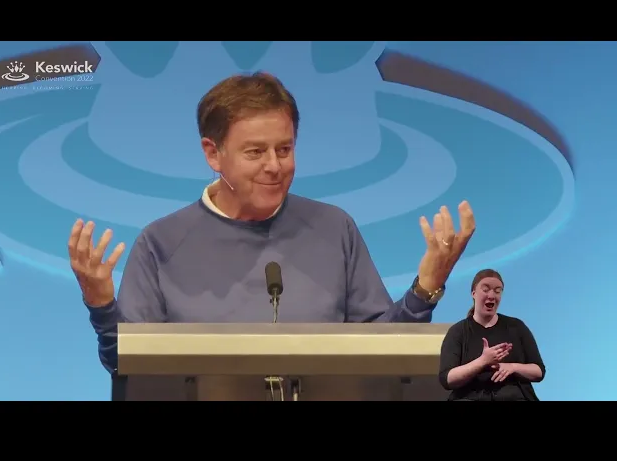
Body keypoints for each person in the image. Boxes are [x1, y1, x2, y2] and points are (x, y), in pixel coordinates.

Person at [68, 72, 477, 374]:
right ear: (213, 154)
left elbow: (383, 355)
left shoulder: (334, 228)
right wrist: (101, 305)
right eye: (255, 152)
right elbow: (129, 367)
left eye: (284, 149)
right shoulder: (161, 243)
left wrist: (426, 288)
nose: (274, 166)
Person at [438, 268, 546, 401]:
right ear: (473, 293)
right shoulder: (458, 331)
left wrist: (512, 367)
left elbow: (538, 371)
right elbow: (447, 379)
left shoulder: (516, 327)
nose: (492, 295)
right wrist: (483, 361)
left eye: (497, 291)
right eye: (485, 289)